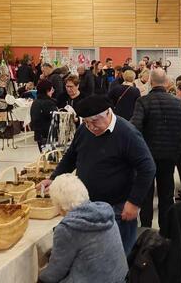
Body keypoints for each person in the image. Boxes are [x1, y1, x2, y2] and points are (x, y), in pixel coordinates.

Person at [45, 96, 156, 254]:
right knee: (97, 255)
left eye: (94, 122)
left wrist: (134, 202)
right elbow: (71, 157)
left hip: (117, 209)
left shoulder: (127, 133)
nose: (91, 127)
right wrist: (53, 178)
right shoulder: (84, 130)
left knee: (119, 256)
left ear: (107, 113)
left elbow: (148, 167)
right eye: (86, 122)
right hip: (89, 206)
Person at [38, 174, 128, 283]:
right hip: (119, 278)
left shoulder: (68, 228)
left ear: (59, 205)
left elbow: (55, 273)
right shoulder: (106, 213)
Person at [131, 69, 181, 229]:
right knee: (166, 194)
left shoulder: (143, 102)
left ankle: (146, 230)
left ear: (150, 82)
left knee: (146, 195)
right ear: (166, 83)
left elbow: (135, 128)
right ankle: (166, 231)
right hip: (169, 156)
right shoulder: (178, 103)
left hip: (147, 157)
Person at [30, 80, 57, 152]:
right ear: (47, 90)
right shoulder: (49, 103)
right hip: (48, 135)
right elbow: (55, 119)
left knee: (44, 156)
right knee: (51, 157)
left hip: (39, 135)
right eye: (52, 89)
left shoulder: (35, 102)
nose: (53, 91)